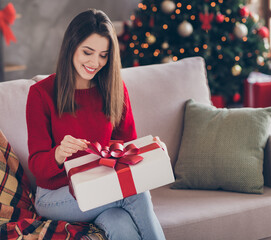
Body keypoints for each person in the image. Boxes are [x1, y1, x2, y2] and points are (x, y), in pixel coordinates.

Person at [26, 9, 166, 240]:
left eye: (103, 55)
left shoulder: (115, 89)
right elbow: (37, 165)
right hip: (54, 196)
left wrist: (148, 149)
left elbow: (127, 147)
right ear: (71, 47)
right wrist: (59, 153)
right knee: (135, 193)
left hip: (100, 187)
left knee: (119, 223)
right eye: (88, 52)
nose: (95, 62)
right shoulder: (41, 94)